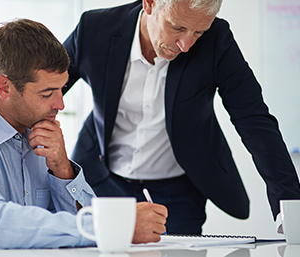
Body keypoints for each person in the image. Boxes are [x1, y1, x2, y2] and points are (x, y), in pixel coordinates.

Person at [0, 19, 168, 254]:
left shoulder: (38, 130)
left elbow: (78, 232)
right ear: (4, 86)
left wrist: (62, 169)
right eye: (47, 93)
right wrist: (113, 226)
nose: (61, 104)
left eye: (61, 89)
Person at [63, 0, 300, 235]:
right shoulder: (95, 28)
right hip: (103, 182)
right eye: (177, 28)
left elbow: (254, 119)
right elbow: (45, 85)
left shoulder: (216, 39)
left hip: (177, 195)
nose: (186, 45)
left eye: (198, 32)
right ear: (150, 4)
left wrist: (289, 206)